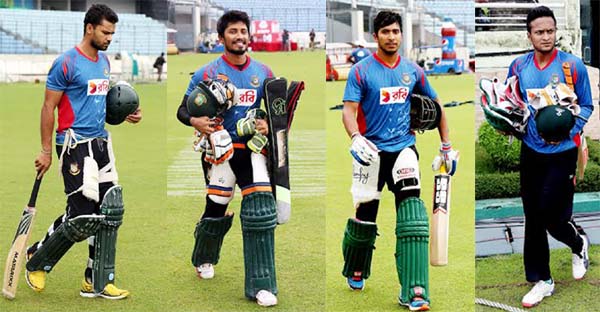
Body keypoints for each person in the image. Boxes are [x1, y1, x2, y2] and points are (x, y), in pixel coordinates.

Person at [340, 11, 458, 311]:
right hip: (370, 152)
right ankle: (356, 267)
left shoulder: (414, 71)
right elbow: (349, 110)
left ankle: (415, 289)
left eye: (395, 31)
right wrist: (355, 137)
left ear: (401, 34)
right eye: (385, 32)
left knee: (412, 217)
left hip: (404, 149)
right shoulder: (361, 71)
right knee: (366, 215)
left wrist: (446, 147)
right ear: (375, 36)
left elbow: (437, 106)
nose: (391, 37)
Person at [25, 4, 142, 300]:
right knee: (81, 215)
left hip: (102, 143)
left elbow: (98, 102)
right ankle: (37, 260)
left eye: (112, 33)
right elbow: (48, 107)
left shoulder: (103, 62)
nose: (109, 38)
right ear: (89, 28)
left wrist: (124, 114)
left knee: (110, 210)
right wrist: (46, 151)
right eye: (105, 32)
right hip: (75, 144)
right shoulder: (66, 62)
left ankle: (96, 279)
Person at [176, 10, 279, 307]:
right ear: (221, 38)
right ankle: (204, 257)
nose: (239, 36)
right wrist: (195, 122)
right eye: (233, 31)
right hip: (220, 151)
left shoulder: (264, 72)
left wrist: (266, 123)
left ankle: (262, 285)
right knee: (215, 209)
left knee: (260, 209)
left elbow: (277, 112)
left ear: (249, 35)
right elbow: (183, 110)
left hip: (251, 151)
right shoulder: (206, 73)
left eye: (243, 31)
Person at [504, 6, 593, 308]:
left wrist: (570, 130)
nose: (546, 37)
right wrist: (508, 126)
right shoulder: (518, 67)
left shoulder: (572, 66)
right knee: (533, 215)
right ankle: (542, 279)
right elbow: (511, 104)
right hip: (531, 152)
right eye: (539, 32)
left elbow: (588, 106)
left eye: (550, 31)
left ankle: (578, 243)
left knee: (551, 215)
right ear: (528, 35)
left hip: (563, 153)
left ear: (556, 32)